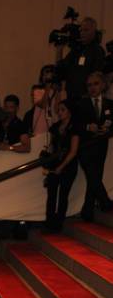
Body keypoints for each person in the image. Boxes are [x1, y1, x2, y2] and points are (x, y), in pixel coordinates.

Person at [76, 71, 113, 220]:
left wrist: (108, 129)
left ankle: (87, 210)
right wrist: (87, 127)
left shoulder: (110, 104)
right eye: (89, 85)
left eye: (96, 84)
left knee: (94, 178)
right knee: (93, 177)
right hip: (84, 147)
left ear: (103, 85)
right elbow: (75, 125)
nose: (92, 88)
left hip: (101, 146)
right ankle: (105, 202)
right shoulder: (81, 104)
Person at [42, 99, 80, 231]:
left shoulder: (74, 127)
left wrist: (61, 167)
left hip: (68, 165)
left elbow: (73, 151)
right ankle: (49, 222)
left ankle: (58, 224)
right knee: (51, 194)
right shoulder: (55, 127)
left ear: (69, 111)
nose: (59, 112)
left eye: (63, 110)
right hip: (55, 163)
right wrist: (49, 163)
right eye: (58, 110)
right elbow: (52, 146)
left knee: (63, 195)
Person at [56, 17, 105, 103]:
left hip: (87, 98)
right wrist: (59, 50)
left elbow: (97, 76)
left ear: (93, 31)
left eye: (86, 30)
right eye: (81, 30)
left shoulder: (97, 51)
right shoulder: (76, 50)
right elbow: (61, 69)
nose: (82, 33)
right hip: (71, 96)